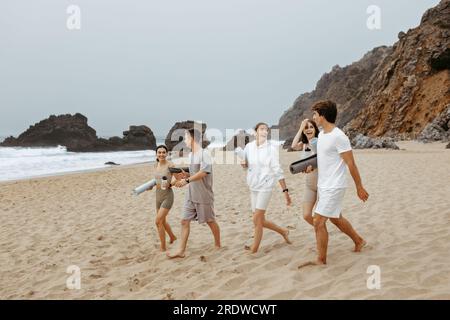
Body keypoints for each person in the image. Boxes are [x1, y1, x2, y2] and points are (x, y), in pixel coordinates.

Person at [299, 100, 368, 268]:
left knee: (318, 221)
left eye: (315, 114)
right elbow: (322, 159)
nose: (313, 117)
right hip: (323, 184)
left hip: (335, 186)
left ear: (322, 116)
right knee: (336, 219)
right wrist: (310, 167)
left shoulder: (339, 136)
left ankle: (320, 260)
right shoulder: (321, 135)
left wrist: (359, 187)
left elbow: (351, 163)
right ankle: (359, 241)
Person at [167, 128, 221, 259]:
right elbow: (195, 172)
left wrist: (186, 180)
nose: (184, 140)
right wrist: (187, 174)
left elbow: (203, 172)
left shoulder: (205, 154)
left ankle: (218, 245)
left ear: (192, 138)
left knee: (210, 221)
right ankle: (181, 250)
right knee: (184, 221)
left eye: (185, 137)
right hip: (191, 194)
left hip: (203, 194)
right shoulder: (191, 155)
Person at [241, 122, 292, 254]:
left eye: (266, 130)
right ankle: (283, 231)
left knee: (256, 219)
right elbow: (246, 166)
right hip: (253, 187)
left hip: (265, 186)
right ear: (255, 131)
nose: (264, 131)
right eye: (261, 129)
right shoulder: (248, 147)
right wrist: (244, 164)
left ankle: (254, 249)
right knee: (260, 220)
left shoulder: (271, 149)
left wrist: (285, 191)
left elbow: (277, 170)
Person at [147, 145, 177, 252]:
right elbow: (157, 179)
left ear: (167, 154)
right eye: (159, 152)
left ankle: (163, 247)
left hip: (167, 196)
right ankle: (173, 237)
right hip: (158, 195)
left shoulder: (171, 165)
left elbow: (178, 179)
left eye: (163, 152)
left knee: (158, 221)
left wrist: (171, 184)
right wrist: (151, 186)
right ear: (156, 154)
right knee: (163, 221)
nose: (161, 154)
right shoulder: (155, 165)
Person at [291, 119, 320, 226]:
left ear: (315, 129)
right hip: (310, 185)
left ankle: (320, 230)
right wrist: (300, 128)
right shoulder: (304, 144)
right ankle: (320, 229)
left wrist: (313, 167)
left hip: (322, 184)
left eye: (311, 127)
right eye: (306, 128)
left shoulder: (319, 141)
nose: (308, 129)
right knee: (307, 216)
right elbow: (293, 146)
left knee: (328, 217)